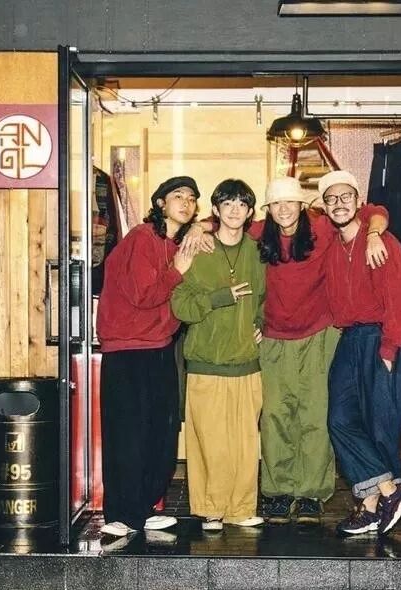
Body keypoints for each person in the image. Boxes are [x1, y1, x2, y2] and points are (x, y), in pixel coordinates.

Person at [253, 176, 389, 524]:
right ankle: (278, 491)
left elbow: (373, 210)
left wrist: (374, 233)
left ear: (303, 205)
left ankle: (311, 493)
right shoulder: (259, 234)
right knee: (275, 416)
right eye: (276, 204)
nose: (284, 209)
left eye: (290, 202)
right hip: (273, 338)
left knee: (314, 415)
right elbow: (222, 223)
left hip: (319, 335)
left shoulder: (323, 227)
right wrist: (199, 230)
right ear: (268, 209)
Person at [96, 175, 203, 538]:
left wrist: (199, 230)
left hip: (159, 347)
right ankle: (121, 514)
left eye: (191, 198)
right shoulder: (143, 237)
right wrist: (178, 272)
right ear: (160, 203)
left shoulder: (176, 243)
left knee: (160, 432)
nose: (185, 202)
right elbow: (143, 294)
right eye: (177, 196)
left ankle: (143, 507)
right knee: (127, 434)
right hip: (128, 350)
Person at [321, 170, 401, 536]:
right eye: (331, 199)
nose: (339, 204)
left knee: (381, 426)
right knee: (340, 420)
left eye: (345, 196)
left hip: (381, 337)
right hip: (349, 339)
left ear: (359, 201)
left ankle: (371, 506)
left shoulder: (381, 241)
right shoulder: (332, 245)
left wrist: (390, 346)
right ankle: (390, 491)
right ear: (324, 207)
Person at [171, 179, 266, 532]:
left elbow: (268, 298)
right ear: (215, 209)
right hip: (206, 363)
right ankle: (211, 509)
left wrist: (261, 322)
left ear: (250, 211)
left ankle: (241, 509)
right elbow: (180, 304)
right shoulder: (197, 248)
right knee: (210, 443)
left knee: (246, 444)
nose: (235, 210)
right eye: (227, 203)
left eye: (242, 204)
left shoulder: (258, 251)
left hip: (247, 363)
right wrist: (218, 298)